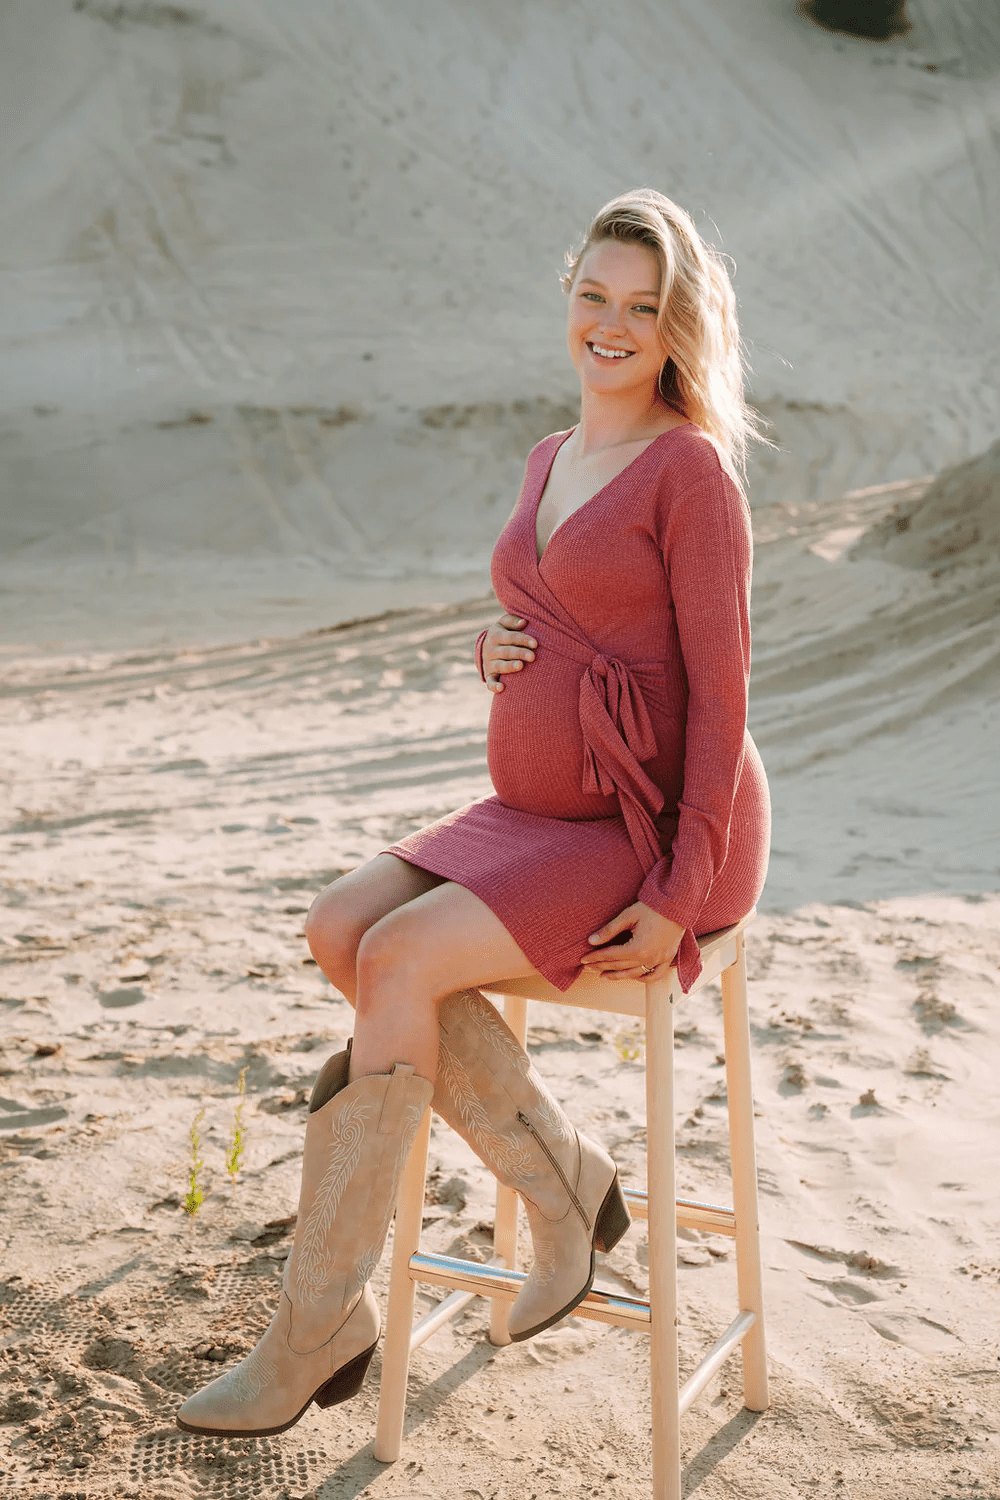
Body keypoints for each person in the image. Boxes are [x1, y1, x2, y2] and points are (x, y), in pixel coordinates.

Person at [177, 187, 771, 1438]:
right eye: (594, 296)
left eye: (642, 308)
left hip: (652, 823)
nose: (611, 325)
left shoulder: (691, 472)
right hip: (537, 813)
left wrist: (678, 891)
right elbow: (559, 608)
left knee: (399, 957)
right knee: (340, 925)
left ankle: (314, 1329)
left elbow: (721, 700)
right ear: (568, 296)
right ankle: (563, 1182)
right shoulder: (549, 456)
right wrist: (499, 648)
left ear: (677, 328)